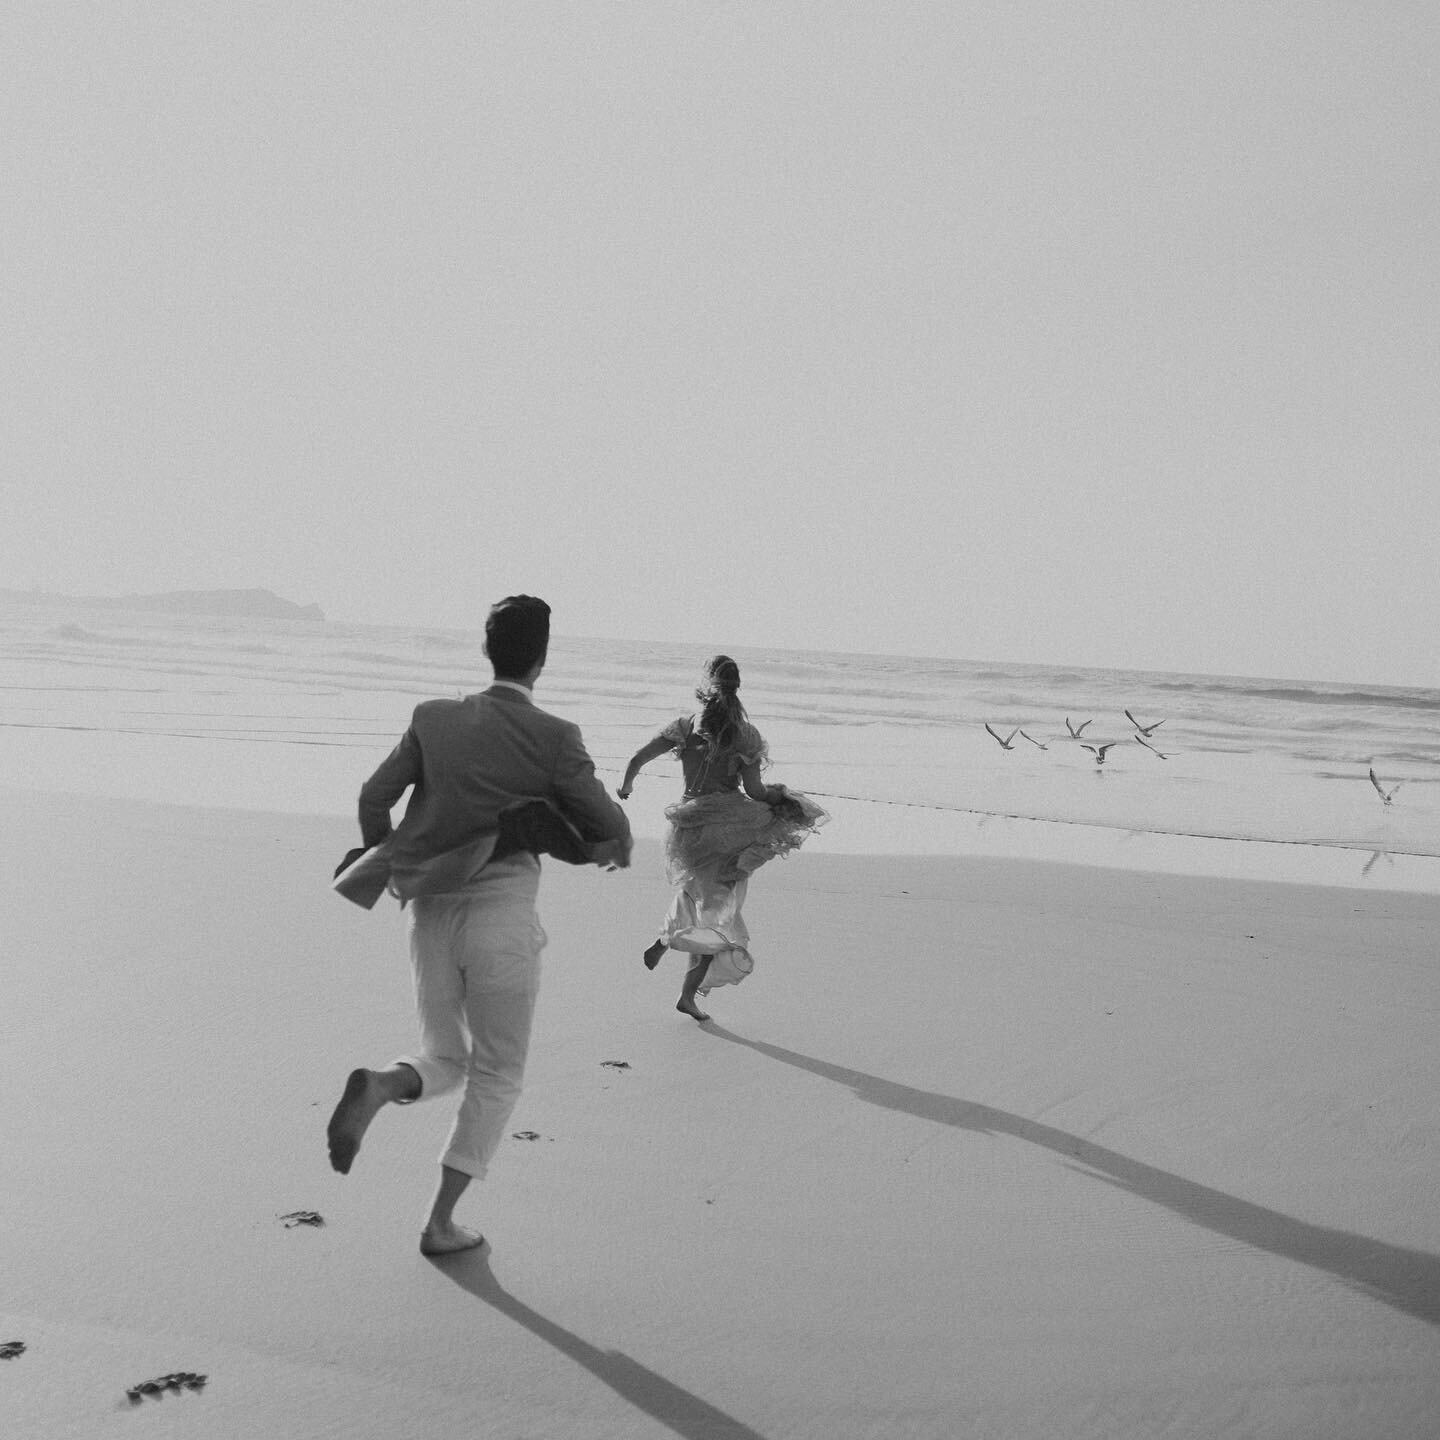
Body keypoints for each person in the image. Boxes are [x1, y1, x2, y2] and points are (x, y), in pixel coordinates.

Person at [326, 595, 631, 1256]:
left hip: (428, 912)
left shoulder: (433, 719)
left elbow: (373, 798)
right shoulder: (555, 737)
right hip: (502, 916)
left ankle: (383, 1085)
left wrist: (393, 862)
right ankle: (440, 1224)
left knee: (443, 1055)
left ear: (486, 650)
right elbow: (604, 822)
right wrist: (620, 842)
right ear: (541, 659)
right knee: (496, 1073)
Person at [617, 655, 826, 1022]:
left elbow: (637, 759)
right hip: (728, 828)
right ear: (736, 687)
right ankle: (685, 992)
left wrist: (626, 786)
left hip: (688, 826)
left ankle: (665, 940)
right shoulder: (745, 734)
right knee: (718, 914)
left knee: (693, 890)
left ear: (705, 686)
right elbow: (756, 791)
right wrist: (782, 798)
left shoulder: (684, 727)